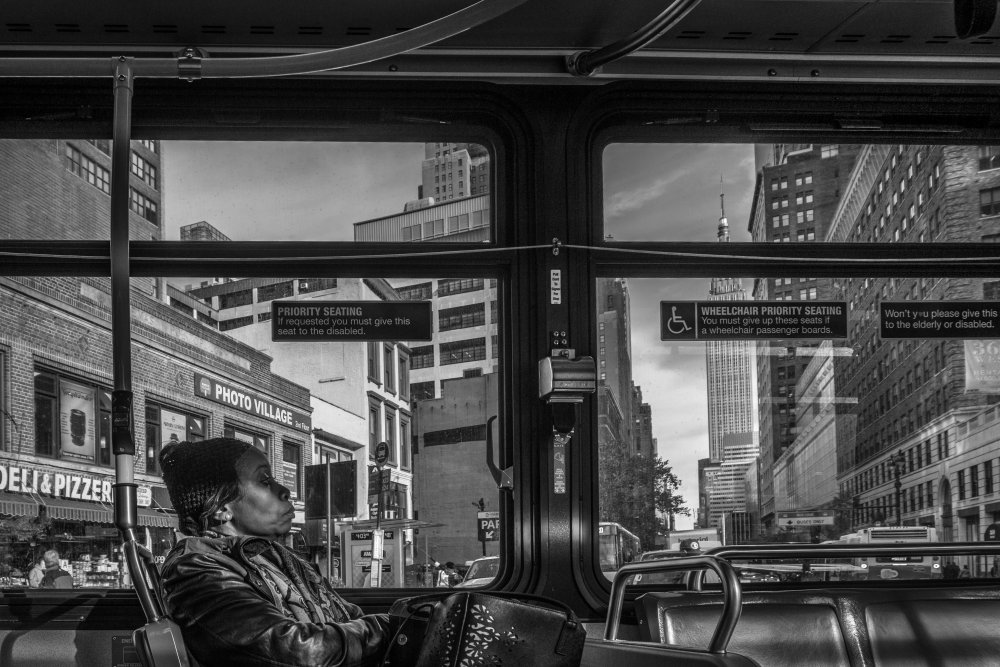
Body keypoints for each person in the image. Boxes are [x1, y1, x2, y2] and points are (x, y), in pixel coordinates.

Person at [159, 437, 395, 666]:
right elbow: (298, 652)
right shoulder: (195, 571)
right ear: (222, 508)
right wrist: (390, 628)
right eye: (264, 480)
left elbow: (350, 616)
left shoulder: (280, 560)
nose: (285, 491)